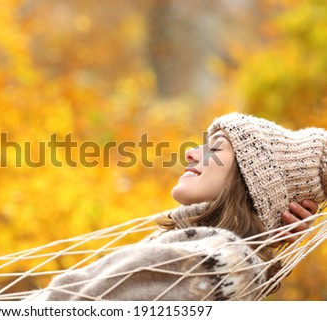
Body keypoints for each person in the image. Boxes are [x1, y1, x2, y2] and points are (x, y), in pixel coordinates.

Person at [27, 112, 326, 301]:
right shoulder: (198, 248)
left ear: (254, 178)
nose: (193, 153)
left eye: (216, 146)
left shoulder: (220, 262)